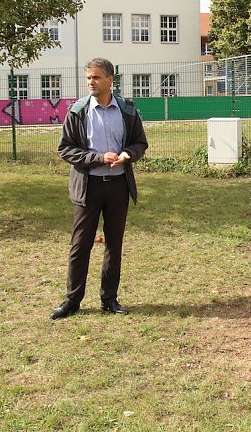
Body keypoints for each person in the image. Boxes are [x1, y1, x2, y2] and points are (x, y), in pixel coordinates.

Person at [50, 58, 148, 320]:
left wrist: (128, 154)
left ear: (110, 80)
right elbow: (65, 149)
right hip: (88, 187)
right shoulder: (77, 111)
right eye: (88, 78)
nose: (91, 82)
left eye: (96, 77)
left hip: (118, 187)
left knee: (114, 245)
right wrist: (96, 158)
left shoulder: (127, 110)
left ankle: (109, 299)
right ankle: (72, 301)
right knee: (80, 245)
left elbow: (140, 142)